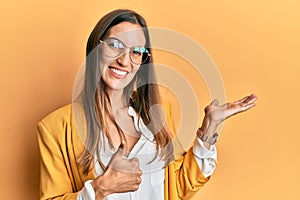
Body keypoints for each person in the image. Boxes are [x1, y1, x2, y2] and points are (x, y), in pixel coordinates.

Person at [37, 9, 257, 200]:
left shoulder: (158, 116)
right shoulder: (55, 128)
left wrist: (209, 126)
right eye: (115, 45)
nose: (124, 60)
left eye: (136, 52)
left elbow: (177, 188)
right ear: (96, 47)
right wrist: (99, 189)